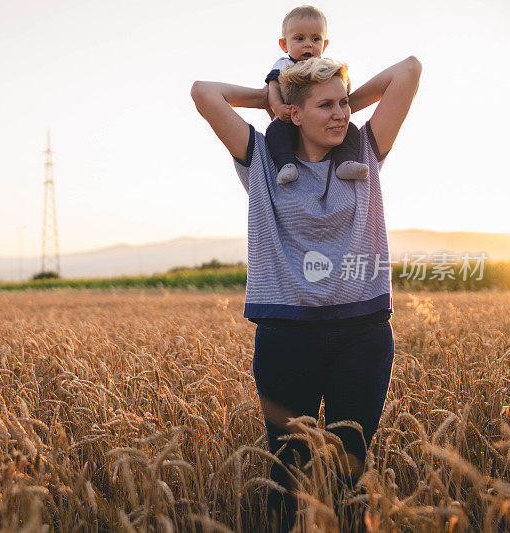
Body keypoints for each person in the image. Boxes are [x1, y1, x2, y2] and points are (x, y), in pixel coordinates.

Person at [191, 55, 421, 532]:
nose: (341, 114)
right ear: (295, 114)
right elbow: (202, 91)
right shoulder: (261, 160)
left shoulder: (366, 154)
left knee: (349, 473)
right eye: (326, 107)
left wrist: (336, 99)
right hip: (286, 337)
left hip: (364, 336)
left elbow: (410, 69)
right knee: (289, 473)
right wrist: (277, 100)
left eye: (344, 105)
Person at [265, 6, 369, 185]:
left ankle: (345, 161)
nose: (308, 44)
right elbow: (272, 89)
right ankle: (286, 164)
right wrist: (278, 108)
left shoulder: (324, 66)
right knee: (275, 132)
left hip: (318, 125)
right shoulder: (284, 64)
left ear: (325, 44)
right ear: (284, 45)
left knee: (350, 129)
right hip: (289, 119)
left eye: (315, 39)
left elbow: (344, 87)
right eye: (299, 38)